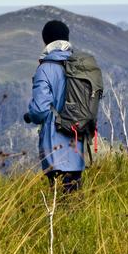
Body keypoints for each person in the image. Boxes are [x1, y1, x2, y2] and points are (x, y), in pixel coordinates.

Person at [23, 20, 84, 193]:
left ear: (46, 41)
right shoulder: (80, 66)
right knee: (75, 194)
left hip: (54, 142)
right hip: (77, 140)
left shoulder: (45, 69)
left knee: (58, 198)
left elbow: (40, 110)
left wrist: (30, 115)